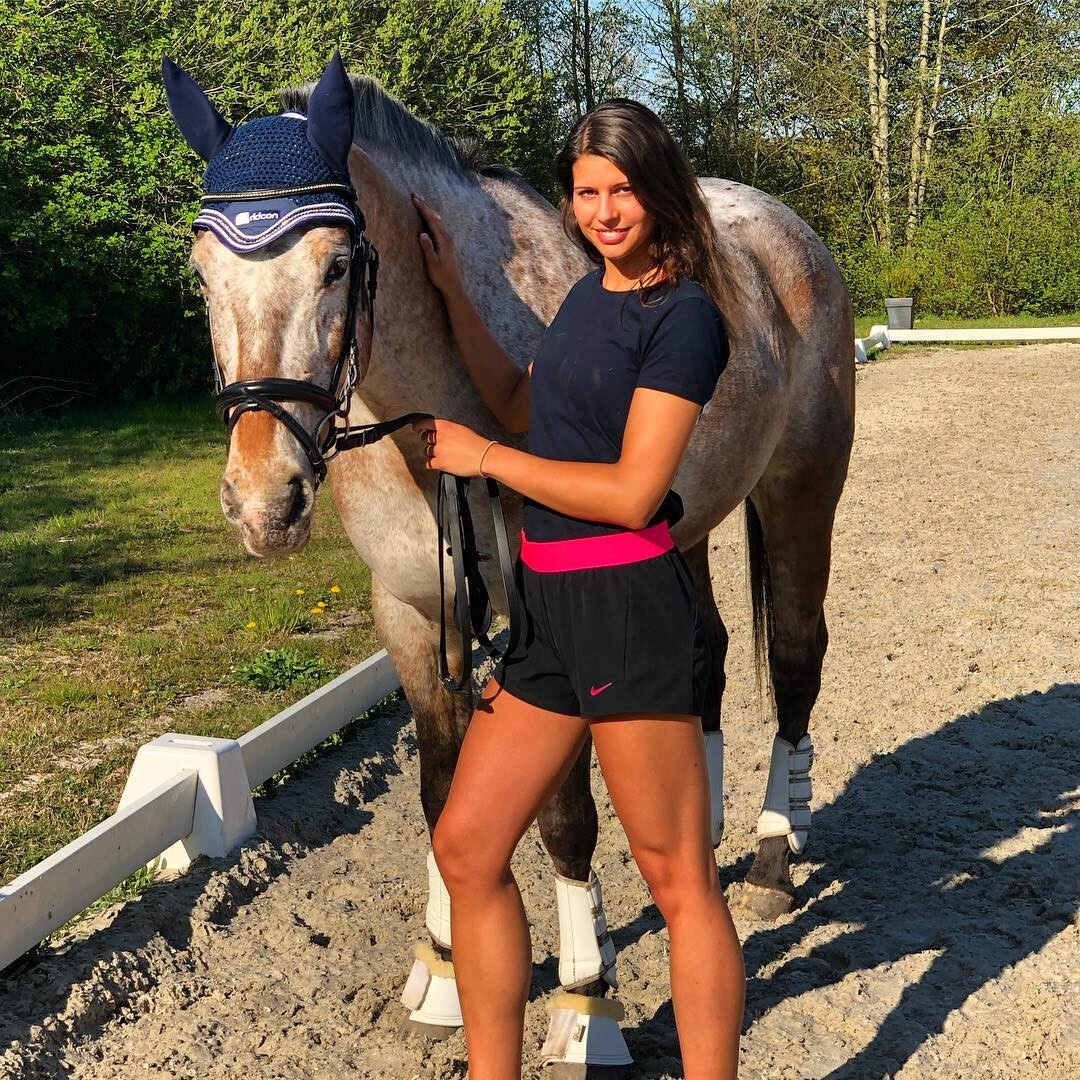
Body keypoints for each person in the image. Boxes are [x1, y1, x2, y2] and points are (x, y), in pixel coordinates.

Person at [409, 98, 744, 1080]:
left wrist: (484, 460)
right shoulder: (590, 296)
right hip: (546, 612)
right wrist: (452, 293)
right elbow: (521, 402)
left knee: (679, 881)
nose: (604, 211)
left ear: (660, 190)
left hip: (627, 609)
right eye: (587, 192)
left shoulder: (685, 318)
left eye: (622, 190)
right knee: (468, 848)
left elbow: (636, 491)